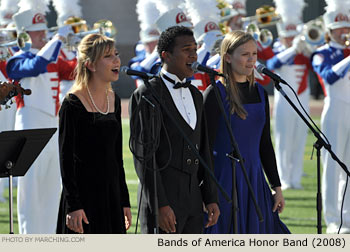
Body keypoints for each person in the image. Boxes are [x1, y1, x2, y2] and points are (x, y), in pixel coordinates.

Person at [129, 25, 219, 234]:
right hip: (164, 197)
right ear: (166, 55)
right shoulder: (148, 94)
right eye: (186, 49)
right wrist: (160, 204)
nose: (193, 55)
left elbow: (203, 149)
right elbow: (144, 157)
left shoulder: (197, 95)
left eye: (195, 50)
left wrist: (210, 197)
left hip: (193, 200)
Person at [203, 30, 290, 234]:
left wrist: (276, 187)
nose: (251, 60)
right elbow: (205, 147)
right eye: (245, 54)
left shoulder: (260, 92)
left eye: (254, 54)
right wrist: (207, 194)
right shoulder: (215, 93)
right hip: (225, 180)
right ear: (227, 57)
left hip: (255, 180)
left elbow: (264, 144)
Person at [6, 8, 76, 233]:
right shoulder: (15, 61)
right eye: (37, 32)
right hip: (29, 127)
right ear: (24, 35)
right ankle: (29, 238)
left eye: (44, 31)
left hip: (53, 127)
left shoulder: (50, 56)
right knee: (31, 189)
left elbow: (76, 72)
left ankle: (49, 237)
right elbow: (34, 67)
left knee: (52, 187)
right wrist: (56, 41)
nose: (43, 35)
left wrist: (73, 48)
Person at [57, 33, 131, 234]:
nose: (116, 60)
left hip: (111, 196)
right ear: (90, 64)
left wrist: (124, 201)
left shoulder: (113, 99)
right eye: (108, 56)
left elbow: (117, 158)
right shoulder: (72, 104)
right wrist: (73, 206)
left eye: (116, 54)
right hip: (83, 200)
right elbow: (66, 160)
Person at [310, 1, 350, 234]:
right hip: (335, 109)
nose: (345, 31)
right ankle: (333, 220)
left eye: (347, 27)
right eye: (340, 28)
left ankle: (347, 218)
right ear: (330, 31)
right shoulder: (322, 53)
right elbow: (329, 76)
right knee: (332, 167)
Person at [267, 0, 311, 190]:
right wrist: (293, 49)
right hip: (284, 99)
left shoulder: (305, 48)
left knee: (300, 138)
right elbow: (271, 65)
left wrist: (305, 44)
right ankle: (283, 178)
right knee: (283, 140)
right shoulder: (277, 48)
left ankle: (295, 178)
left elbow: (314, 58)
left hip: (303, 98)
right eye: (288, 37)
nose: (291, 40)